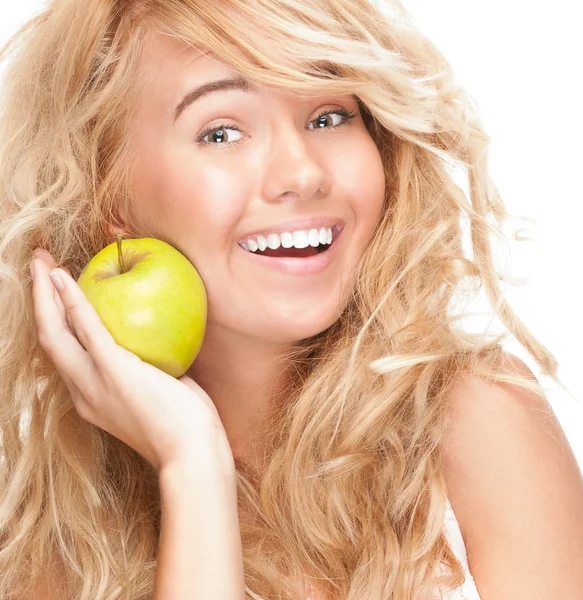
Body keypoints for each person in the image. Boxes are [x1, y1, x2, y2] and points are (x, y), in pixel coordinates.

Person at [0, 0, 582, 598]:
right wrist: (192, 467)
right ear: (109, 197)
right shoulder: (53, 534)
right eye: (222, 132)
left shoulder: (476, 422)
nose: (301, 173)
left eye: (329, 116)